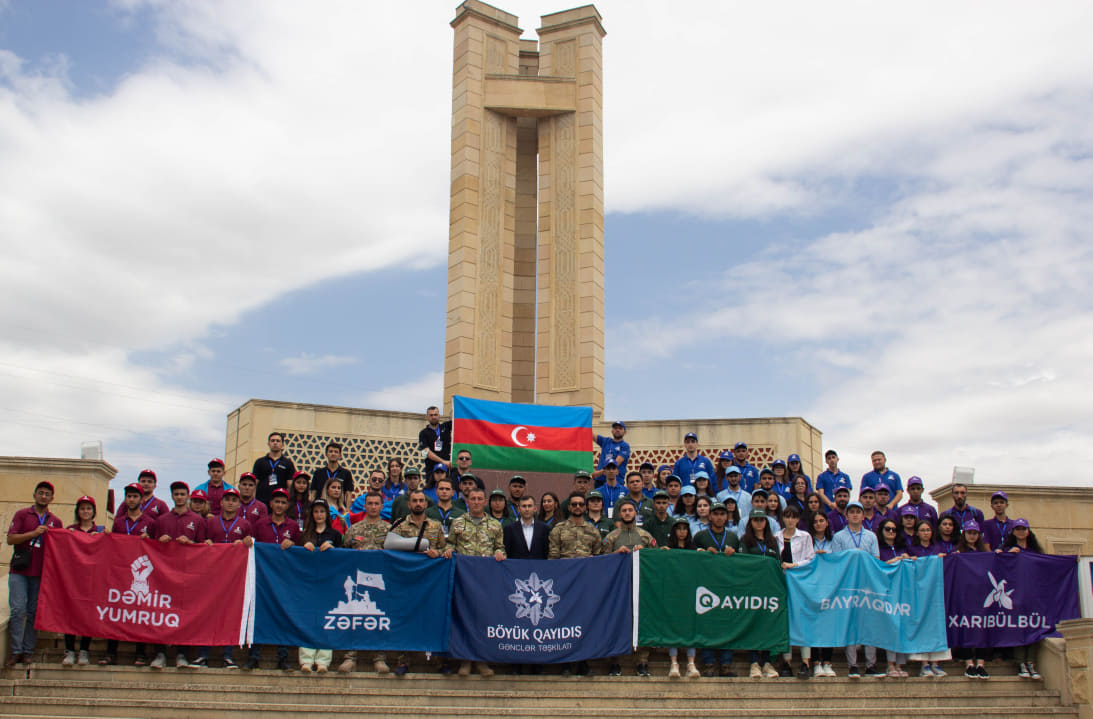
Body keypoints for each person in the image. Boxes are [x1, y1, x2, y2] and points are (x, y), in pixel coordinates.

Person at [443, 487, 503, 678]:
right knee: (464, 619)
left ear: (485, 502)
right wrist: (449, 549)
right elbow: (450, 543)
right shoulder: (458, 523)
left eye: (479, 499)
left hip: (486, 581)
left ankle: (481, 660)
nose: (476, 502)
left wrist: (500, 553)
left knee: (483, 620)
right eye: (472, 499)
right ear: (467, 501)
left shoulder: (494, 525)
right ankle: (465, 660)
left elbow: (500, 547)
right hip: (464, 579)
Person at [6, 481, 64, 668]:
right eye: (41, 493)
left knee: (33, 612)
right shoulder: (22, 514)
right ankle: (15, 651)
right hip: (20, 570)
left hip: (40, 573)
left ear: (52, 498)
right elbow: (11, 539)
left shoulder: (55, 521)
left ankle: (28, 651)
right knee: (17, 610)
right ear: (34, 494)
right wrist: (33, 533)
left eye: (47, 494)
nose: (44, 496)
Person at [195, 488, 252, 669]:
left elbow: (251, 545)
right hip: (212, 576)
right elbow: (201, 543)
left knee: (230, 615)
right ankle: (202, 655)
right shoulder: (211, 523)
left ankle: (228, 655)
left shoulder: (244, 524)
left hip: (234, 578)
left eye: (234, 500)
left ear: (238, 504)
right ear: (221, 502)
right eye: (227, 499)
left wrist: (246, 542)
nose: (230, 503)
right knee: (207, 613)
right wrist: (207, 544)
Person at [549, 492, 602, 676]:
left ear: (585, 507)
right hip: (564, 584)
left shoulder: (592, 531)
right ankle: (565, 661)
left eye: (581, 504)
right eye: (574, 504)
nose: (578, 507)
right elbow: (553, 558)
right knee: (564, 622)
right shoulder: (558, 529)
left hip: (585, 585)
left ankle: (583, 661)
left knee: (584, 622)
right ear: (569, 507)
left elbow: (598, 557)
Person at [341, 491, 392, 675]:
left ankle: (379, 658)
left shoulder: (389, 530)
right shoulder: (354, 530)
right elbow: (343, 552)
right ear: (364, 506)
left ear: (381, 506)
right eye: (369, 503)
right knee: (354, 618)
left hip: (379, 582)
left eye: (376, 503)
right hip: (357, 583)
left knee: (378, 620)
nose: (372, 506)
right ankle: (350, 656)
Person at [603, 500, 655, 677]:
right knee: (616, 621)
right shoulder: (612, 537)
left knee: (641, 622)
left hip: (642, 588)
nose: (627, 513)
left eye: (630, 510)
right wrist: (615, 555)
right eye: (624, 510)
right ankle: (615, 661)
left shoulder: (646, 536)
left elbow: (657, 560)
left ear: (635, 512)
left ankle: (642, 662)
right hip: (618, 589)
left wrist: (646, 553)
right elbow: (601, 561)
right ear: (619, 514)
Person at [249, 488, 299, 672]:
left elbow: (298, 551)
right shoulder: (260, 524)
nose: (279, 505)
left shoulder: (293, 526)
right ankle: (253, 656)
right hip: (263, 578)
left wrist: (293, 544)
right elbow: (252, 545)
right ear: (270, 504)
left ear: (287, 505)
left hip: (285, 579)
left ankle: (283, 657)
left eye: (283, 502)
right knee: (259, 616)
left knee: (283, 616)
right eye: (276, 501)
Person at [830, 501, 880, 678]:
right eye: (851, 512)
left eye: (858, 512)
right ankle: (852, 665)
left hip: (866, 584)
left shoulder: (871, 536)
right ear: (846, 515)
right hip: (848, 585)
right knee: (850, 624)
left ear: (863, 515)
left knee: (869, 624)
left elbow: (876, 560)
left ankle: (871, 665)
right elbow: (837, 561)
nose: (855, 515)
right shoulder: (839, 537)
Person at [298, 500, 342, 672]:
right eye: (315, 511)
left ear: (327, 514)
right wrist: (303, 548)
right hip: (308, 584)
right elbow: (296, 559)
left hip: (329, 584)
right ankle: (306, 660)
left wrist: (333, 550)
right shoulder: (304, 535)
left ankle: (323, 661)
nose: (319, 515)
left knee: (327, 620)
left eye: (322, 511)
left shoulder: (335, 534)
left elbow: (344, 556)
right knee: (307, 620)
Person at [61, 495, 102, 666]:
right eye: (82, 508)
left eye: (89, 508)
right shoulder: (70, 529)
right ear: (78, 511)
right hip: (73, 579)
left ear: (94, 512)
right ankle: (69, 650)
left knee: (87, 615)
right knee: (70, 613)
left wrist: (104, 537)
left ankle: (84, 650)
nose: (86, 511)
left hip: (92, 580)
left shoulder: (100, 530)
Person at [740, 509, 780, 678]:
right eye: (755, 520)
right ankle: (754, 662)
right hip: (753, 589)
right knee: (754, 625)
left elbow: (777, 562)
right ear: (751, 522)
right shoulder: (745, 541)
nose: (758, 523)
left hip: (770, 590)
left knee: (769, 625)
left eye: (761, 520)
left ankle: (768, 663)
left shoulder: (772, 542)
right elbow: (743, 563)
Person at [775, 505, 815, 679]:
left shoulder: (805, 536)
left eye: (794, 517)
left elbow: (810, 559)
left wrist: (794, 566)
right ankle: (787, 662)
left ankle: (806, 662)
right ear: (783, 518)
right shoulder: (776, 536)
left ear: (798, 519)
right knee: (785, 622)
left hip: (800, 583)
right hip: (782, 582)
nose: (790, 520)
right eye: (787, 516)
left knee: (802, 622)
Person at [1002, 518, 1043, 679]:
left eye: (1023, 529)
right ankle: (1021, 663)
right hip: (1016, 597)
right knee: (1017, 628)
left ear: (1028, 531)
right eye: (1017, 529)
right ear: (1013, 532)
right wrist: (1008, 554)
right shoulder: (1009, 549)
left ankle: (1031, 662)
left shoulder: (1035, 551)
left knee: (1034, 627)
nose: (1020, 531)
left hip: (1033, 597)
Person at [662, 517, 700, 679]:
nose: (682, 532)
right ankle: (674, 662)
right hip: (673, 593)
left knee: (691, 626)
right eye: (679, 528)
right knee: (673, 626)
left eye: (685, 528)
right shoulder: (668, 549)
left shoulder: (694, 549)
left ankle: (691, 663)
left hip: (690, 593)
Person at [955, 520, 991, 679]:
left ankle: (981, 664)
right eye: (969, 533)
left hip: (982, 596)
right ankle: (969, 663)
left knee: (982, 629)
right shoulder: (959, 552)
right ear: (964, 534)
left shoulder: (984, 553)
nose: (972, 536)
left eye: (974, 533)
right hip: (964, 596)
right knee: (965, 628)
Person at [808, 511, 836, 677]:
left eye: (821, 520)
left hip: (830, 587)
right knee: (813, 624)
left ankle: (827, 662)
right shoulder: (807, 540)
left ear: (827, 523)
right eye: (815, 521)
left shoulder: (834, 541)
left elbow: (841, 559)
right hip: (811, 586)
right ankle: (816, 663)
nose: (818, 524)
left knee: (828, 626)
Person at [252, 431, 296, 508]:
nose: (275, 443)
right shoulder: (260, 462)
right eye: (272, 441)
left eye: (278, 441)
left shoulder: (288, 463)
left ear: (282, 445)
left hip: (280, 502)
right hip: (261, 501)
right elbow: (254, 483)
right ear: (268, 444)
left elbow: (290, 486)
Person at [504, 495, 550, 559]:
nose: (527, 509)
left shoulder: (544, 529)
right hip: (516, 567)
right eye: (524, 506)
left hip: (538, 567)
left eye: (530, 506)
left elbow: (546, 552)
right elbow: (507, 552)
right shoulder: (509, 529)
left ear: (535, 509)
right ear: (518, 509)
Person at [418, 405, 452, 476]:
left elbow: (458, 419)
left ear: (439, 415)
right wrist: (443, 461)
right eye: (431, 415)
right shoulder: (423, 433)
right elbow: (426, 452)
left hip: (447, 469)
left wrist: (455, 402)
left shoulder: (446, 427)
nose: (433, 417)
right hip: (432, 469)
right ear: (427, 417)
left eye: (435, 415)